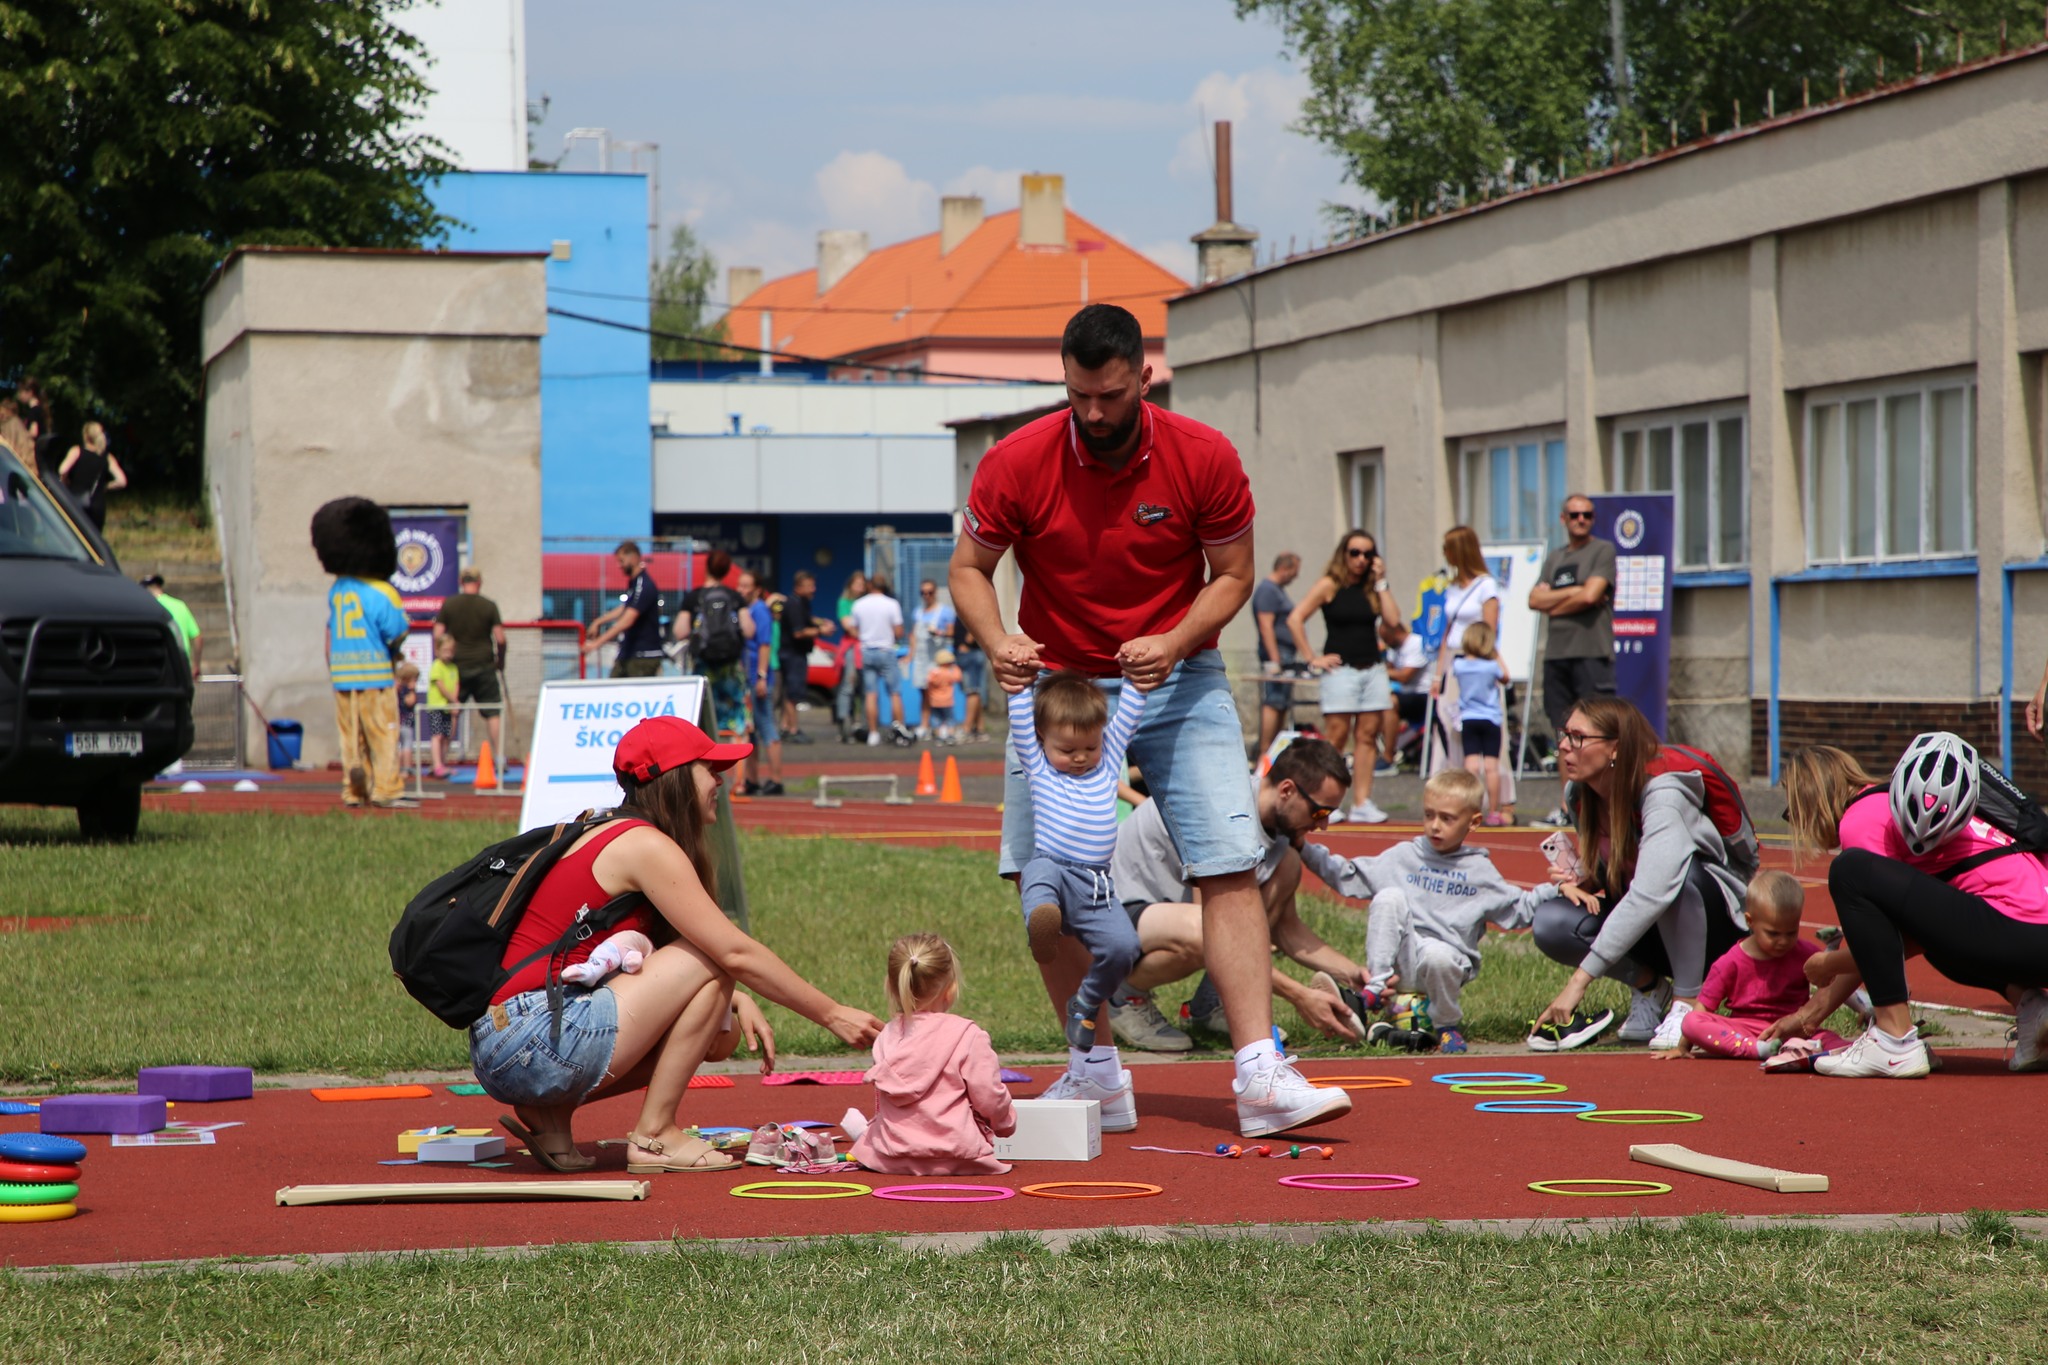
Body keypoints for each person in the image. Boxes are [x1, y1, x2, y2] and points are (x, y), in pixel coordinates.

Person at [951, 302, 1351, 1139]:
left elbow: (1234, 575)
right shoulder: (1015, 461)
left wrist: (1173, 640)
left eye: (1110, 395)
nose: (1093, 413)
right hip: (1059, 693)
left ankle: (1259, 1075)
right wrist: (999, 639)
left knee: (1227, 858)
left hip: (1178, 676)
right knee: (1044, 888)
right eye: (1077, 396)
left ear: (1143, 377)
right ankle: (1095, 1074)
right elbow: (971, 569)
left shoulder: (1202, 456)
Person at [471, 715, 883, 1173]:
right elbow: (733, 952)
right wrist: (832, 1014)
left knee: (721, 1029)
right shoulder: (643, 845)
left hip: (511, 1041)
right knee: (714, 957)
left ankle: (551, 1113)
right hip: (530, 1039)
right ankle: (655, 1136)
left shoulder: (615, 832)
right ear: (676, 779)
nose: (722, 781)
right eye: (710, 769)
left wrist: (734, 996)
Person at [1778, 737, 2048, 1077]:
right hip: (2033, 933)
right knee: (1943, 949)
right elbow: (1920, 931)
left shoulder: (1860, 819)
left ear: (1808, 804)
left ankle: (1894, 1042)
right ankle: (2033, 1012)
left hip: (2019, 929)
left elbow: (1895, 939)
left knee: (1850, 872)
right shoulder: (1902, 800)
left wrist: (1824, 980)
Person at [1109, 738, 1373, 1054]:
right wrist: (1299, 995)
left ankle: (1212, 1003)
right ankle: (1123, 996)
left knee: (1288, 866)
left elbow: (1286, 931)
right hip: (1110, 916)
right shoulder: (1223, 815)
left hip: (1162, 918)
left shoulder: (1277, 831)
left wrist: (1354, 974)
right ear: (1287, 790)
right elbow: (1212, 937)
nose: (1325, 825)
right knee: (1203, 928)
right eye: (1320, 812)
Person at [1529, 697, 1750, 1053]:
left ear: (1615, 748)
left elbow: (1653, 889)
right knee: (1552, 922)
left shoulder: (1663, 792)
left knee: (1677, 880)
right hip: (1654, 927)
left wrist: (1578, 983)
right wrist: (1584, 880)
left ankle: (1687, 1003)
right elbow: (1622, 872)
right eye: (1564, 735)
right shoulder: (1579, 793)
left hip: (1716, 927)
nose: (1564, 746)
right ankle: (1650, 987)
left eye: (1578, 737)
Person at [1299, 768, 1560, 1054]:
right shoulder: (1404, 856)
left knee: (1437, 955)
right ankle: (1373, 992)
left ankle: (1447, 1026)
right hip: (1403, 962)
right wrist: (1301, 846)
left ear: (1473, 822)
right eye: (1428, 815)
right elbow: (1348, 874)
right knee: (1388, 897)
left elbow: (1519, 909)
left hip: (1446, 962)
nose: (1435, 825)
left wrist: (1559, 887)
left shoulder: (1479, 872)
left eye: (1446, 818)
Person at [1010, 670, 1151, 1056]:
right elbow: (1021, 721)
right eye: (1067, 749)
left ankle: (1085, 1004)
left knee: (1125, 947)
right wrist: (1019, 684)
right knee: (1037, 875)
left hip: (1096, 886)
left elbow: (1127, 720)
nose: (1079, 757)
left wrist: (1136, 682)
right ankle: (1042, 921)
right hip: (1054, 867)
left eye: (1089, 747)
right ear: (1043, 741)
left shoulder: (1106, 768)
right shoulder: (1039, 769)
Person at [842, 933, 1017, 1176]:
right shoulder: (968, 1036)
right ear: (951, 988)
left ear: (892, 986)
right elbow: (988, 1096)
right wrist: (1005, 1124)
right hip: (961, 1155)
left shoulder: (886, 1037)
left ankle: (869, 1139)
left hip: (891, 1157)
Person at [1285, 529, 1403, 825]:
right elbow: (1295, 618)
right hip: (1341, 671)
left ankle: (1362, 802)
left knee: (1367, 737)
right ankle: (1326, 800)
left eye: (1367, 554)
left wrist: (1382, 581)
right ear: (1344, 554)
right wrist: (1312, 658)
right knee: (1336, 736)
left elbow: (1392, 621)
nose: (1361, 560)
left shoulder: (1372, 587)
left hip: (1373, 670)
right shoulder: (1330, 585)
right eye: (1355, 553)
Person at [1670, 870, 1847, 1063]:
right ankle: (1757, 1049)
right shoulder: (1730, 962)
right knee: (1690, 1021)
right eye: (1773, 934)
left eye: (1791, 933)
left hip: (1793, 1028)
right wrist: (1683, 1046)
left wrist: (1862, 1009)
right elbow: (1701, 1010)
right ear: (1750, 921)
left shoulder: (1804, 953)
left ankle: (1795, 1048)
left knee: (1837, 1043)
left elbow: (1834, 981)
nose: (1783, 941)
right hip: (1743, 1030)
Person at [311, 497, 413, 809]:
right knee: (381, 734)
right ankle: (385, 788)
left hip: (343, 673)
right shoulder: (383, 591)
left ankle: (353, 788)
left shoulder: (339, 589)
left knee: (350, 737)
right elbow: (396, 631)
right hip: (375, 673)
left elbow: (330, 631)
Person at [1530, 495, 1616, 823]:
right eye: (1575, 514)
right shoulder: (1555, 557)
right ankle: (1569, 807)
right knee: (1563, 734)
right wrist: (1575, 594)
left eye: (1588, 514)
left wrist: (1556, 600)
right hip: (1557, 656)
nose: (1582, 519)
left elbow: (1592, 595)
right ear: (1563, 518)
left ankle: (1600, 806)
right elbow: (1534, 599)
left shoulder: (1602, 551)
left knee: (1597, 733)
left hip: (1592, 654)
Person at [671, 549, 748, 736]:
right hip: (730, 667)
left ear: (706, 568)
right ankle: (738, 762)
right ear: (727, 570)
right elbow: (749, 629)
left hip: (704, 665)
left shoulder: (694, 597)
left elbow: (680, 631)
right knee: (737, 720)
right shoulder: (734, 597)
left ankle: (707, 762)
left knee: (703, 719)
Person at [435, 567, 506, 759]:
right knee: (492, 711)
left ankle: (442, 760)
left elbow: (437, 633)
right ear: (479, 582)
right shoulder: (489, 606)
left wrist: (440, 657)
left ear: (461, 582)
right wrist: (500, 661)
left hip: (456, 668)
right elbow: (500, 639)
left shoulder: (450, 604)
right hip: (484, 665)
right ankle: (499, 757)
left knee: (453, 710)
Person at [1448, 622, 1511, 823]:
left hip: (1469, 718)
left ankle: (1470, 809)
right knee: (1491, 767)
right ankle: (1493, 811)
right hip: (1491, 719)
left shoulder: (1459, 665)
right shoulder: (1491, 667)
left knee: (1471, 765)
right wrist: (1496, 654)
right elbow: (1506, 677)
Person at [585, 541, 668, 680]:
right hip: (629, 653)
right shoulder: (634, 584)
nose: (619, 566)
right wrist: (599, 621)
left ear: (634, 558)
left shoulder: (644, 585)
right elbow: (625, 608)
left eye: (621, 561)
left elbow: (627, 619)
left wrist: (597, 643)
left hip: (642, 656)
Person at [736, 569, 783, 796]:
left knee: (766, 726)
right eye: (740, 585)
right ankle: (751, 779)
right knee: (751, 730)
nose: (741, 589)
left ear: (756, 589)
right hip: (747, 677)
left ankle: (776, 779)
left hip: (758, 677)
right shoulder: (747, 610)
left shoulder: (761, 611)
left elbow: (765, 644)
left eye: (746, 586)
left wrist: (762, 677)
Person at [852, 573, 912, 747]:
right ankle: (899, 729)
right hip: (886, 650)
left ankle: (872, 733)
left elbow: (855, 629)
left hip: (867, 650)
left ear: (870, 586)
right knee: (894, 693)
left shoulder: (859, 604)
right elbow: (899, 631)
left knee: (871, 694)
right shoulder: (891, 604)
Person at [1253, 552, 1303, 754]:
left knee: (1281, 703)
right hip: (1277, 655)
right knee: (1273, 701)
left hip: (1285, 655)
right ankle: (1265, 752)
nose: (1295, 577)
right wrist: (1275, 660)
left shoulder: (1277, 591)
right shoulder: (1268, 591)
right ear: (1285, 568)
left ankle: (1274, 752)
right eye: (1294, 572)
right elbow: (1266, 626)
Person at [778, 570, 822, 744]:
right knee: (792, 694)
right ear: (799, 587)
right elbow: (798, 632)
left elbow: (807, 621)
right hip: (792, 654)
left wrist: (818, 622)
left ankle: (785, 726)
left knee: (790, 692)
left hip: (795, 654)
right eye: (810, 586)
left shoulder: (801, 603)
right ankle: (793, 729)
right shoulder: (794, 604)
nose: (814, 589)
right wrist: (820, 631)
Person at [58, 421, 127, 529]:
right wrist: (105, 486)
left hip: (76, 502)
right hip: (97, 506)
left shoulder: (77, 451)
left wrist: (65, 482)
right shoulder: (107, 457)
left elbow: (62, 470)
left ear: (85, 436)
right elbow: (122, 481)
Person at [912, 579, 957, 740]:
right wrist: (910, 655)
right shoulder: (918, 612)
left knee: (940, 693)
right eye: (923, 593)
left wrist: (939, 633)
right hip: (922, 657)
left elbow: (951, 633)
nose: (926, 596)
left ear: (935, 592)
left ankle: (945, 725)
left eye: (929, 592)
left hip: (938, 659)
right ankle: (925, 725)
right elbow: (914, 635)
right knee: (924, 692)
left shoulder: (945, 612)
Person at [832, 569, 869, 741]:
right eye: (857, 584)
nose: (860, 587)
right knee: (848, 685)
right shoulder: (844, 602)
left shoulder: (868, 602)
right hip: (852, 649)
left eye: (863, 584)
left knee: (866, 688)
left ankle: (863, 724)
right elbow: (848, 626)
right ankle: (844, 723)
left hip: (866, 648)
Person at [140, 574, 202, 668]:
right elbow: (198, 638)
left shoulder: (148, 608)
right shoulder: (180, 605)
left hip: (160, 666)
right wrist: (196, 665)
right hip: (183, 665)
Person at [426, 633, 461, 779]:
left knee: (447, 736)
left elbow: (456, 684)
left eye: (450, 651)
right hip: (436, 707)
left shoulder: (453, 667)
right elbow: (440, 685)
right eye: (445, 650)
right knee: (437, 735)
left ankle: (441, 763)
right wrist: (453, 699)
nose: (448, 654)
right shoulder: (436, 666)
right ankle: (437, 764)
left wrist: (454, 701)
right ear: (438, 650)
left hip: (447, 708)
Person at [953, 615, 990, 742]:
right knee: (975, 691)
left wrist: (966, 643)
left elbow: (976, 622)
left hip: (971, 653)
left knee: (972, 690)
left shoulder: (971, 601)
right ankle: (979, 729)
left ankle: (966, 729)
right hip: (971, 653)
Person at [926, 649, 963, 744]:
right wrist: (955, 667)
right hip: (947, 701)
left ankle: (938, 737)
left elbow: (928, 681)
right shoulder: (949, 673)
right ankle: (950, 736)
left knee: (936, 719)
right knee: (950, 719)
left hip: (935, 701)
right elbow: (958, 677)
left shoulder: (934, 672)